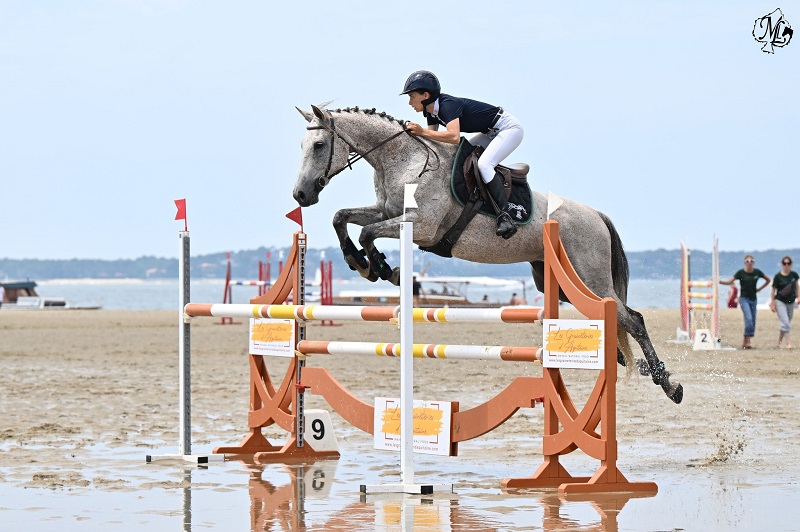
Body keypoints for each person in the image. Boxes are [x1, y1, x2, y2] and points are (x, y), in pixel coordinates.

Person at [401, 70, 524, 239]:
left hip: (508, 129)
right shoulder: (431, 111)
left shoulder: (447, 104)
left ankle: (505, 215)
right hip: (489, 133)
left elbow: (453, 137)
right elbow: (433, 140)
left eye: (412, 97)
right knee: (460, 156)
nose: (409, 102)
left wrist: (421, 132)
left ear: (426, 95)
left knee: (484, 164)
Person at [720, 255, 771, 349]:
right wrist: (719, 281)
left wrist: (759, 288)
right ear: (744, 262)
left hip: (754, 299)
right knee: (749, 319)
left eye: (751, 260)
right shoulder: (741, 273)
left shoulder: (757, 272)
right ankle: (746, 341)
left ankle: (746, 341)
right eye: (747, 261)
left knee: (753, 321)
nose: (749, 262)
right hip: (743, 299)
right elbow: (729, 282)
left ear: (754, 262)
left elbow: (768, 280)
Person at [769, 256, 800, 348]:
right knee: (785, 322)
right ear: (782, 264)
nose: (787, 265)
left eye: (788, 263)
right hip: (780, 301)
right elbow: (773, 290)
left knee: (786, 323)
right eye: (785, 263)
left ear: (791, 264)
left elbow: (797, 286)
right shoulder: (778, 276)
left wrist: (799, 296)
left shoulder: (794, 275)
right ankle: (788, 343)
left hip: (791, 301)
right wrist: (772, 303)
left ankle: (779, 343)